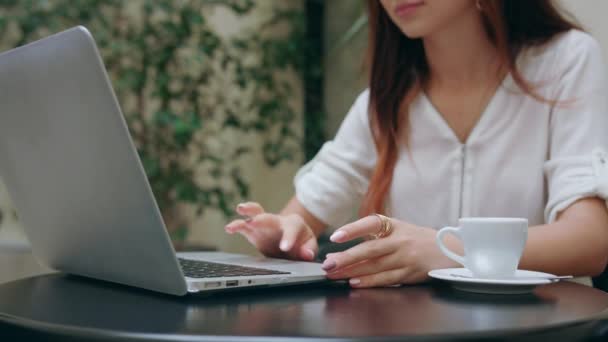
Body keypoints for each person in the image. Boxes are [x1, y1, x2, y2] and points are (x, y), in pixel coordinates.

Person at [225, 0, 608, 288]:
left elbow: (590, 241)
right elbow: (299, 219)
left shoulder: (565, 61)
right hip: (414, 329)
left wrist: (448, 251)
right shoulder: (384, 100)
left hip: (543, 328)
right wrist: (284, 235)